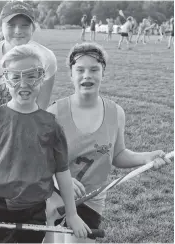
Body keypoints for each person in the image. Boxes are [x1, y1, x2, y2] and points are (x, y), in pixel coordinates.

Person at [0, 44, 91, 243]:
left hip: (35, 209)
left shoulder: (50, 124)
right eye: (15, 77)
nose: (24, 84)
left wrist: (72, 215)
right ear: (5, 79)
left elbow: (62, 172)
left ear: (42, 78)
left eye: (31, 76)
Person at [44, 42, 172, 243]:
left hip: (90, 199)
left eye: (94, 69)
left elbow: (118, 155)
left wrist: (147, 157)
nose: (87, 75)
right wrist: (59, 177)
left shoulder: (116, 112)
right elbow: (39, 160)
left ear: (103, 73)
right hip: (54, 195)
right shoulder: (54, 113)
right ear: (71, 74)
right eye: (80, 70)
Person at [0, 1, 57, 116]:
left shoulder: (47, 58)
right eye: (11, 25)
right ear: (0, 27)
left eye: (25, 25)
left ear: (33, 28)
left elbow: (41, 108)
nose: (18, 31)